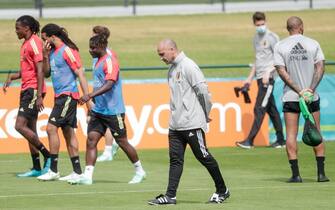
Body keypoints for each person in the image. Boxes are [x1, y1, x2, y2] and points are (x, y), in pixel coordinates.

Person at [148, 39, 230, 205]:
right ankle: (170, 196)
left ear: (172, 49)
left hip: (192, 123)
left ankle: (222, 190)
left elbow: (204, 92)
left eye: (162, 54)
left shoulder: (189, 66)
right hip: (175, 124)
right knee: (175, 160)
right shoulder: (171, 70)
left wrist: (206, 114)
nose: (161, 58)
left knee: (203, 156)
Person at [68, 34, 146, 185]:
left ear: (102, 47)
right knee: (91, 140)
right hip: (99, 110)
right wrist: (92, 104)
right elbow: (99, 83)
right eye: (90, 47)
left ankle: (139, 171)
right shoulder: (97, 61)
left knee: (122, 142)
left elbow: (109, 84)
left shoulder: (110, 62)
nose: (90, 50)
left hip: (113, 111)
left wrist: (89, 95)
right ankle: (88, 176)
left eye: (93, 47)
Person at [273, 16, 329, 183]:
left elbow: (281, 72)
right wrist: (310, 89)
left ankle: (296, 175)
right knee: (316, 132)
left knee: (291, 135)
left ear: (288, 28)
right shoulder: (313, 43)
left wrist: (298, 90)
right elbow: (320, 67)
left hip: (291, 97)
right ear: (301, 27)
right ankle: (321, 174)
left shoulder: (280, 45)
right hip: (311, 97)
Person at [36, 23, 89, 181]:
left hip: (68, 95)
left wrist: (87, 96)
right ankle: (77, 172)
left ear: (52, 37)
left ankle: (53, 169)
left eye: (44, 38)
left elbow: (80, 73)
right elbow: (46, 74)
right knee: (68, 132)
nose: (43, 41)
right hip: (59, 96)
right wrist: (45, 55)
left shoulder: (67, 51)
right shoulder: (51, 52)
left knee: (51, 128)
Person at [3, 15, 50, 177]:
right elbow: (28, 70)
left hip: (32, 90)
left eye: (18, 28)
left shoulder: (35, 43)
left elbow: (40, 70)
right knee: (30, 129)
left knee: (19, 126)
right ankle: (37, 167)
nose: (16, 31)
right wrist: (13, 77)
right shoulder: (25, 44)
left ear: (27, 29)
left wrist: (38, 95)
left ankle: (48, 156)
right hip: (27, 88)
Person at [236, 11, 285, 149]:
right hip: (259, 78)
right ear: (254, 24)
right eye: (258, 25)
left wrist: (269, 71)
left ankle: (249, 141)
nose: (261, 27)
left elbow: (279, 58)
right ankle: (281, 140)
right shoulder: (255, 38)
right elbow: (257, 60)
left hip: (267, 79)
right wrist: (249, 79)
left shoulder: (272, 37)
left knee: (259, 108)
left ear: (266, 22)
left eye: (262, 24)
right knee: (272, 109)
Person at [91, 25, 119, 162]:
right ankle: (112, 144)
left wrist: (92, 95)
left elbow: (111, 78)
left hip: (107, 97)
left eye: (94, 34)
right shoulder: (96, 54)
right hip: (98, 96)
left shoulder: (109, 55)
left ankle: (109, 149)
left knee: (108, 124)